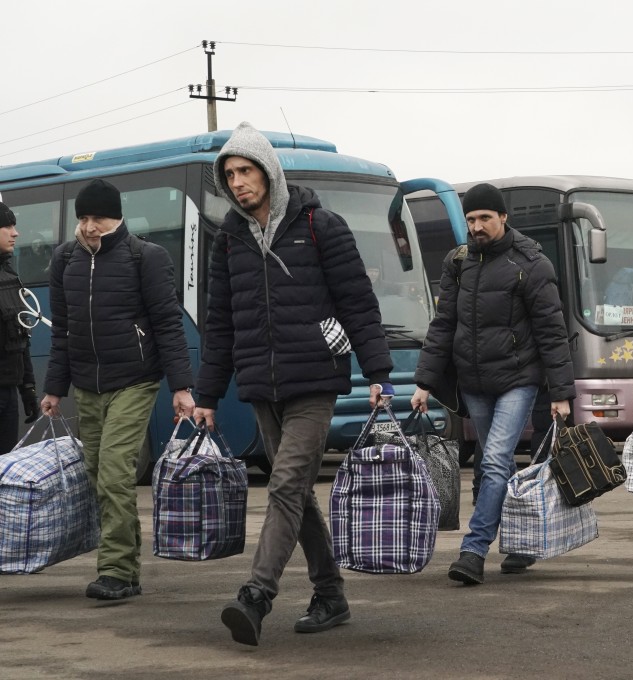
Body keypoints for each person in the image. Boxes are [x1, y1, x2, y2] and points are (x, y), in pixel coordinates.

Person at [192, 122, 394, 646]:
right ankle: (330, 593)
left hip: (315, 381)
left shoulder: (320, 225)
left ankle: (256, 595)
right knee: (297, 494)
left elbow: (357, 302)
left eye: (246, 170)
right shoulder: (230, 240)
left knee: (284, 485)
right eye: (230, 174)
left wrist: (378, 374)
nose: (237, 182)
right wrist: (208, 395)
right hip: (262, 384)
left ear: (268, 171)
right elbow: (221, 324)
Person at [412, 182, 574, 585]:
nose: (477, 226)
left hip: (518, 379)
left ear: (504, 217)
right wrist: (425, 382)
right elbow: (443, 324)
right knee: (490, 464)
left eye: (485, 217)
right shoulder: (458, 262)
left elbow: (552, 331)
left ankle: (474, 550)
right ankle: (520, 544)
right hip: (472, 380)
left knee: (496, 459)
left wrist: (560, 393)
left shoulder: (531, 263)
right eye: (471, 219)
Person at [39, 179, 195, 599]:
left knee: (113, 472)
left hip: (135, 379)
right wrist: (54, 389)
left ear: (117, 217)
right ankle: (127, 572)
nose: (90, 227)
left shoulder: (146, 256)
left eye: (99, 219)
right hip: (88, 384)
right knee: (96, 475)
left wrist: (181, 387)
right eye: (84, 218)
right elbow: (63, 333)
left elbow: (167, 322)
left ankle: (114, 572)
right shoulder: (64, 259)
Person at [0, 202, 38, 453]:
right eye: (7, 226)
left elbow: (20, 338)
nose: (15, 232)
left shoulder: (10, 275)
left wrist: (28, 389)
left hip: (7, 393)